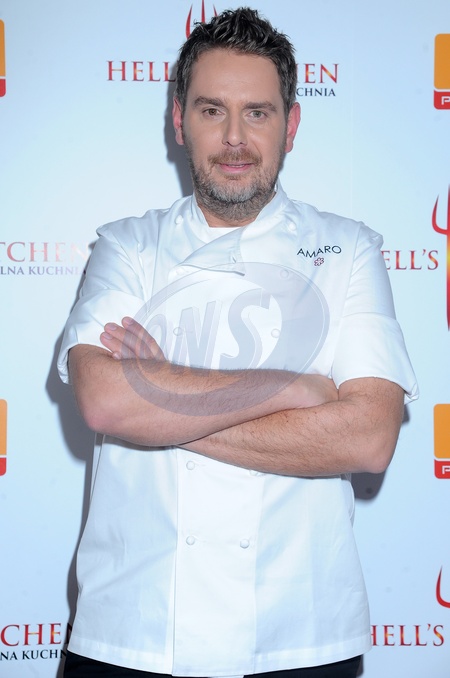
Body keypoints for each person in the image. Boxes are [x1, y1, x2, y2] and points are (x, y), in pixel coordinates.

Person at [57, 7, 418, 678]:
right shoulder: (126, 246)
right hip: (129, 633)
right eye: (211, 110)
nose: (233, 139)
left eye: (257, 113)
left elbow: (368, 438)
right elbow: (106, 402)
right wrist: (291, 388)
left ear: (291, 124)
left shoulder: (349, 250)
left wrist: (162, 401)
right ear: (178, 120)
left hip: (300, 638)